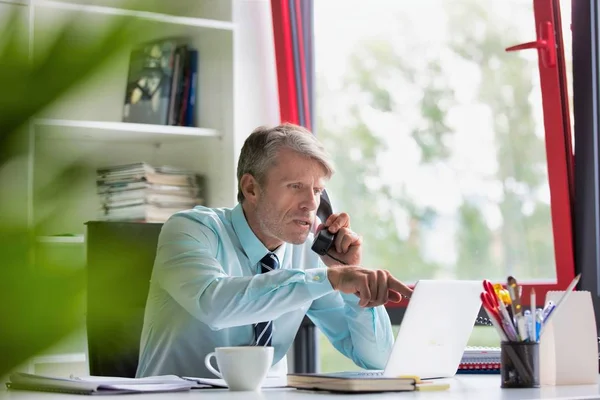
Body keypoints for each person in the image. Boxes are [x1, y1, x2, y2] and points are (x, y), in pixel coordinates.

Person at [136, 123, 412, 378]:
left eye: (317, 190)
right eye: (296, 187)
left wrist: (352, 283)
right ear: (251, 188)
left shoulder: (309, 252)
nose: (310, 204)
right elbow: (216, 305)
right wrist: (331, 279)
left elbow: (378, 360)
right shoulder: (190, 229)